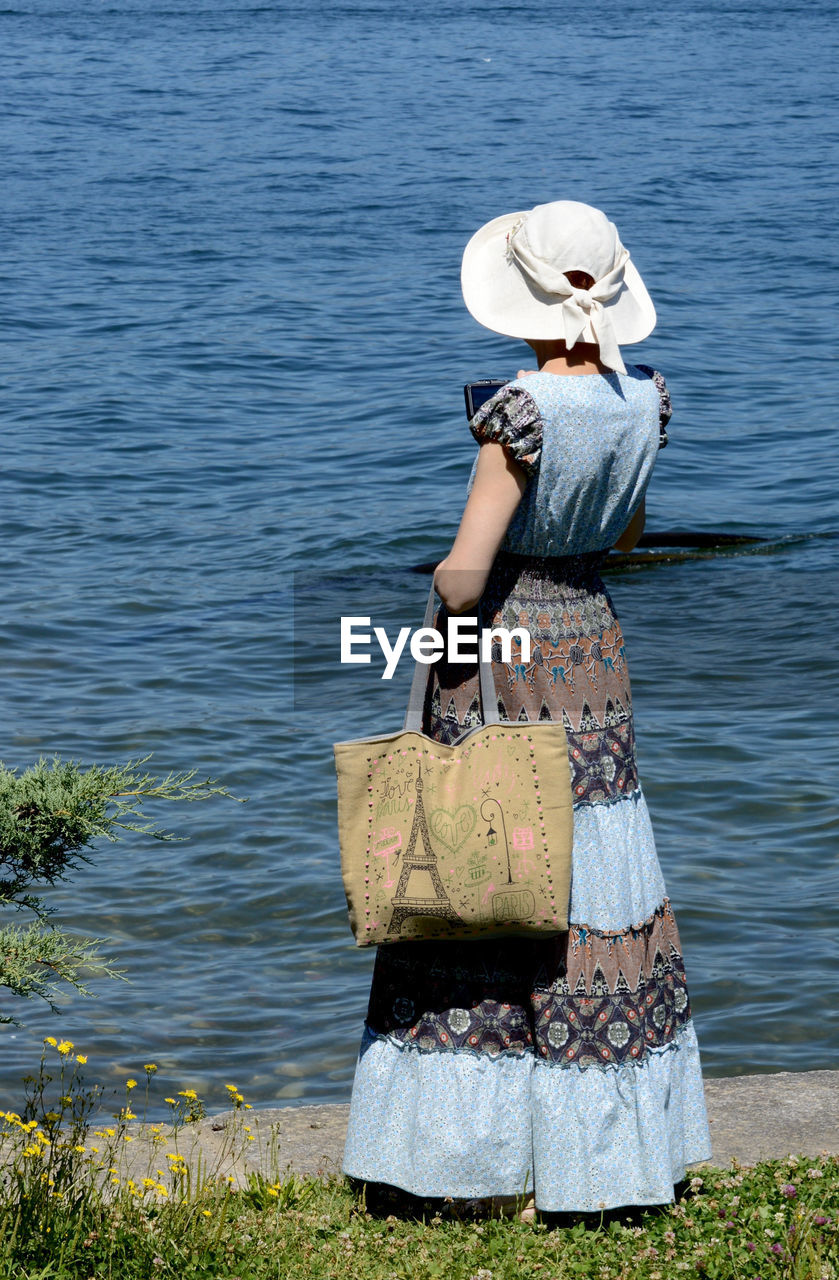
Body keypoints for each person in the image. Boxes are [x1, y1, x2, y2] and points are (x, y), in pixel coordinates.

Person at [342, 200, 712, 1215]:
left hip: (503, 646)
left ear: (526, 299)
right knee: (592, 860)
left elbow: (465, 577)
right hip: (591, 639)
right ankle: (609, 1160)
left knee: (480, 863)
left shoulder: (518, 409)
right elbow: (625, 539)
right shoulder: (646, 400)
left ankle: (464, 1166)